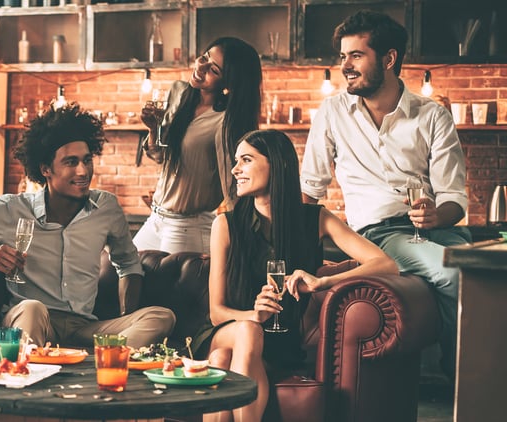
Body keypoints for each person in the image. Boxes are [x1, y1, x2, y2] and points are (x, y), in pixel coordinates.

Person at [0, 103, 176, 348]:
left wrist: (125, 318)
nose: (83, 172)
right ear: (45, 169)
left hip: (83, 328)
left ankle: (101, 362)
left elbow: (128, 264)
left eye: (87, 160)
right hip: (29, 319)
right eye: (71, 162)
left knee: (161, 317)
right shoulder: (11, 210)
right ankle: (36, 380)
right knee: (33, 308)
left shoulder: (105, 208)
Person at [300, 10, 469, 378]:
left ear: (389, 59)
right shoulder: (331, 113)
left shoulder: (432, 115)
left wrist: (436, 215)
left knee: (487, 275)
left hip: (440, 232)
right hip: (379, 235)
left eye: (355, 56)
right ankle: (462, 378)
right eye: (342, 56)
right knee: (458, 276)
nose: (345, 65)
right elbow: (308, 191)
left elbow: (454, 199)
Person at [195, 129, 397, 422]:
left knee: (219, 363)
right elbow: (216, 313)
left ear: (277, 164)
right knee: (245, 334)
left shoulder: (315, 219)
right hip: (226, 331)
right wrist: (256, 315)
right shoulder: (225, 225)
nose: (235, 170)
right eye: (236, 161)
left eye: (246, 160)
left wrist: (322, 282)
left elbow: (385, 264)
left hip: (280, 344)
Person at [132, 37, 262, 254]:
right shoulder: (179, 95)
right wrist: (153, 129)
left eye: (213, 70)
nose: (200, 69)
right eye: (204, 58)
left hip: (187, 227)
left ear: (228, 84)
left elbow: (233, 184)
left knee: (167, 288)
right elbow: (162, 158)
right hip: (155, 219)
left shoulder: (225, 121)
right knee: (123, 274)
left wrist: (244, 239)